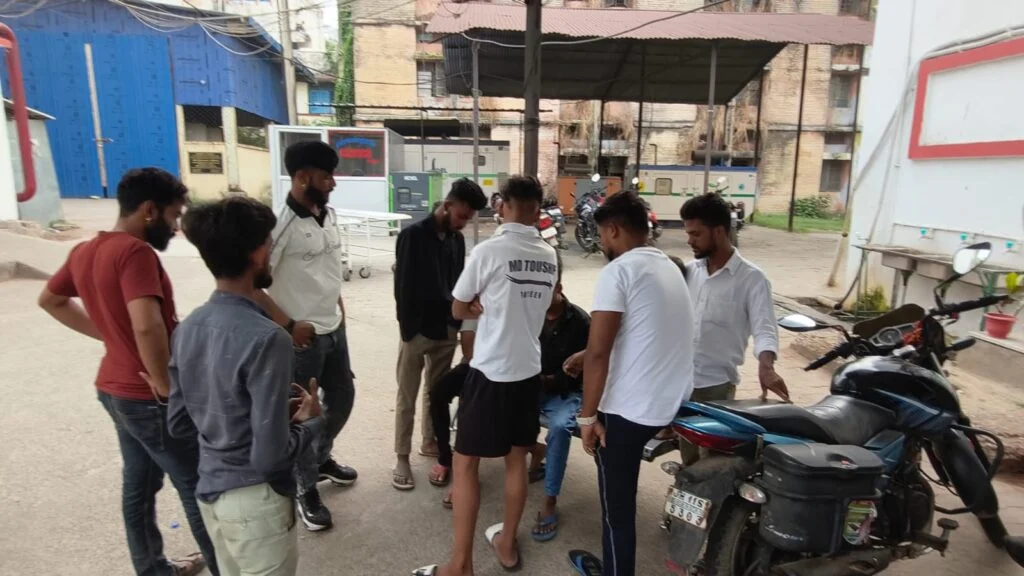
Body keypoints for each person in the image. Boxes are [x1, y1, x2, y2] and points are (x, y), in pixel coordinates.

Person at [37, 168, 216, 576]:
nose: (175, 227)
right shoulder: (136, 253)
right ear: (149, 210)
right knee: (195, 484)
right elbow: (146, 324)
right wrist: (165, 385)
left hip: (114, 389)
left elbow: (50, 300)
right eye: (173, 215)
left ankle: (151, 569)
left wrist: (109, 335)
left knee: (140, 484)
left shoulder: (85, 251)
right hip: (146, 396)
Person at [168, 197, 325, 576]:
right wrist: (311, 423)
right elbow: (270, 457)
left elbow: (178, 424)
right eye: (269, 243)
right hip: (256, 505)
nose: (270, 252)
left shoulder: (188, 327)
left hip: (211, 494)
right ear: (256, 254)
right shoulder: (269, 338)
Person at [413, 175, 558, 576]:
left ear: (504, 205)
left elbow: (458, 307)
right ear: (537, 210)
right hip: (527, 371)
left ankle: (460, 566)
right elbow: (546, 306)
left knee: (465, 464)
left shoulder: (489, 251)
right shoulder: (549, 255)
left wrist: (476, 304)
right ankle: (507, 543)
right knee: (516, 461)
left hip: (491, 370)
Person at [567, 191, 695, 576]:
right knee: (620, 504)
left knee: (617, 511)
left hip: (629, 411)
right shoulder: (669, 266)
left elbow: (600, 353)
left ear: (613, 229)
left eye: (600, 235)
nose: (601, 243)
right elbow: (642, 330)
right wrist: (585, 354)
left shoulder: (618, 271)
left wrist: (588, 418)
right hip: (669, 402)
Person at [252, 140, 356, 532]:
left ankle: (318, 458)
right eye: (326, 176)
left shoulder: (328, 215)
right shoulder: (279, 225)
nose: (333, 183)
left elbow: (329, 269)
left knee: (342, 398)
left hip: (334, 328)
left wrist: (339, 308)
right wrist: (289, 326)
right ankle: (304, 485)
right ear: (301, 178)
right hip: (302, 340)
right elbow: (253, 283)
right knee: (302, 414)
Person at [393, 178, 488, 491]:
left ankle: (429, 440)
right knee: (407, 395)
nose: (463, 223)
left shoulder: (456, 240)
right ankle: (402, 457)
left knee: (436, 393)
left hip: (446, 330)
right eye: (461, 216)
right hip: (416, 330)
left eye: (468, 219)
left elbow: (459, 285)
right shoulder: (412, 236)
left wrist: (459, 322)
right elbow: (403, 287)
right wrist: (407, 330)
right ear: (446, 205)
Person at [680, 193, 788, 465]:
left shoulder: (752, 279)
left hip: (716, 387)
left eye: (696, 234)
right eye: (688, 233)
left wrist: (766, 367)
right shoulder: (689, 272)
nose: (689, 240)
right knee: (689, 461)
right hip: (680, 383)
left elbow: (764, 328)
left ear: (718, 231)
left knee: (714, 463)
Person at [531, 251, 590, 543]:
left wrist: (550, 380)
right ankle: (534, 454)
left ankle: (550, 499)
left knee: (559, 427)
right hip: (535, 387)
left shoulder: (580, 321)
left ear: (559, 288)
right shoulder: (532, 316)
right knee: (499, 407)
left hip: (566, 393)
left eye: (546, 291)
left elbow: (587, 370)